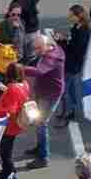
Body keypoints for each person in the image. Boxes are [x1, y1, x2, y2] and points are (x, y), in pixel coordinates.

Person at [24, 31, 64, 166]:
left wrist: (20, 68)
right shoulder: (53, 49)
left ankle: (43, 157)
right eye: (35, 48)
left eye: (39, 48)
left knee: (41, 123)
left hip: (50, 94)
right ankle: (39, 147)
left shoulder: (51, 58)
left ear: (47, 45)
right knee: (37, 121)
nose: (37, 51)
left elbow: (39, 71)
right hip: (44, 91)